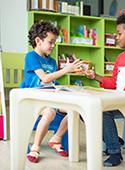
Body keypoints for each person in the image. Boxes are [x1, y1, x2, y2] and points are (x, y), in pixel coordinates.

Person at [80, 14, 125, 166]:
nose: (116, 37)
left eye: (119, 34)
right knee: (85, 110)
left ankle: (115, 152)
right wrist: (96, 77)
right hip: (119, 101)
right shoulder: (120, 57)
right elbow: (114, 82)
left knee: (102, 111)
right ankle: (113, 139)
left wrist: (117, 97)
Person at [25, 20, 83, 163]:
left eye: (54, 42)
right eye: (50, 42)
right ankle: (36, 147)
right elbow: (44, 78)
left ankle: (56, 138)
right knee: (50, 111)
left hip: (51, 98)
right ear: (38, 41)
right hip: (35, 99)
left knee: (75, 109)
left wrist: (66, 89)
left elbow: (52, 82)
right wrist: (65, 70)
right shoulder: (31, 57)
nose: (53, 46)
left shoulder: (51, 61)